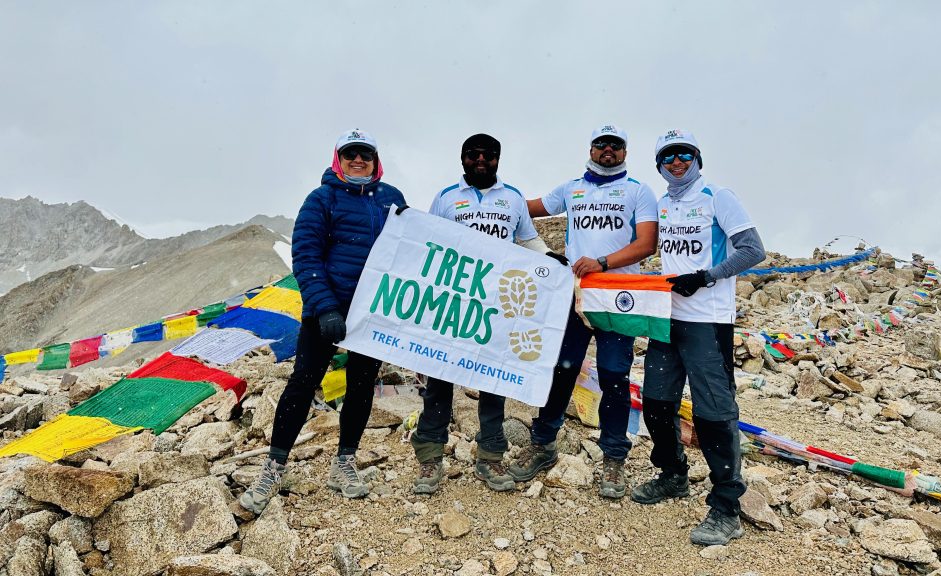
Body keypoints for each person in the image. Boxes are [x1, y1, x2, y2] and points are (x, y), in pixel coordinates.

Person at [239, 129, 407, 515]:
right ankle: (273, 468)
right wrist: (326, 306)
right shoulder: (322, 199)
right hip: (325, 310)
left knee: (362, 385)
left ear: (376, 160)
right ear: (338, 159)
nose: (358, 160)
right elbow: (306, 256)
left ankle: (344, 463)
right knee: (302, 383)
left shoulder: (392, 199)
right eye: (350, 155)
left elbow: (408, 249)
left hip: (372, 312)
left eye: (365, 154)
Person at [632, 129, 766, 546]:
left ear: (697, 157)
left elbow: (752, 250)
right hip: (666, 318)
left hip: (707, 320)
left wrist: (705, 277)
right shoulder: (664, 203)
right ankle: (673, 474)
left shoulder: (717, 196)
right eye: (667, 156)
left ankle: (726, 508)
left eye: (683, 154)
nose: (676, 162)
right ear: (659, 165)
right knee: (655, 401)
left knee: (713, 412)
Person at [511, 125, 658, 499]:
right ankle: (543, 444)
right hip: (574, 295)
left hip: (619, 297)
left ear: (625, 152)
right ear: (590, 148)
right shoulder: (572, 188)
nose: (608, 150)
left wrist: (603, 262)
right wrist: (494, 199)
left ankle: (613, 458)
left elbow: (646, 243)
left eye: (616, 145)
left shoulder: (638, 191)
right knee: (561, 370)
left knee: (613, 375)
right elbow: (529, 208)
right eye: (601, 144)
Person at [410, 134, 563, 494]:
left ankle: (490, 456)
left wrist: (553, 258)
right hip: (455, 304)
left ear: (498, 159)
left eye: (488, 155)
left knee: (494, 380)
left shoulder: (512, 198)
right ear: (462, 159)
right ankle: (430, 458)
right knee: (439, 379)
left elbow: (527, 240)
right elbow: (431, 241)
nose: (481, 160)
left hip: (497, 306)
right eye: (473, 155)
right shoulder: (446, 198)